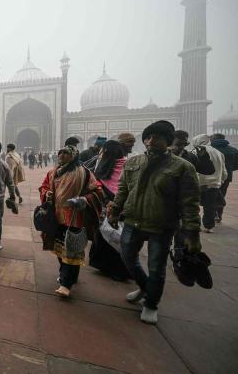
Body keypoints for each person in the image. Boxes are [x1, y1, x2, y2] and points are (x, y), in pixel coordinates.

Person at [108, 120, 201, 324]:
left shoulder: (182, 167)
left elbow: (190, 203)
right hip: (133, 220)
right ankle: (145, 287)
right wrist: (114, 210)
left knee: (156, 266)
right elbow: (123, 189)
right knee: (127, 256)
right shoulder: (133, 162)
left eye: (156, 137)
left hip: (161, 224)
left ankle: (151, 303)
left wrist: (192, 234)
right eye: (148, 137)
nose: (150, 141)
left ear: (167, 141)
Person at [39, 145, 104, 298]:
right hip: (57, 217)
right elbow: (44, 186)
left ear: (74, 156)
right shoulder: (53, 172)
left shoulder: (84, 173)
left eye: (66, 153)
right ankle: (68, 276)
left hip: (75, 217)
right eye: (60, 152)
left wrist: (83, 199)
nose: (61, 155)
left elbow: (97, 191)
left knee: (72, 249)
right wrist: (47, 193)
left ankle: (65, 284)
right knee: (60, 249)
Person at [88, 140, 131, 281]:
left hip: (116, 207)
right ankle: (109, 267)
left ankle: (117, 270)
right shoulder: (125, 164)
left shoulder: (121, 165)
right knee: (110, 236)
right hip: (113, 206)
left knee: (112, 236)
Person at [191, 134, 227, 233]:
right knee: (210, 206)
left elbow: (193, 170)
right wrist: (220, 181)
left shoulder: (195, 152)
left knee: (194, 205)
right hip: (214, 184)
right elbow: (224, 172)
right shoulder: (219, 153)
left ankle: (195, 224)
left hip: (199, 183)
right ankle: (208, 226)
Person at [210, 133, 238, 222]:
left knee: (211, 195)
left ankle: (213, 215)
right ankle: (219, 215)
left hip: (211, 176)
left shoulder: (209, 149)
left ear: (213, 139)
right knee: (222, 194)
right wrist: (229, 169)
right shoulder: (233, 150)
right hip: (226, 177)